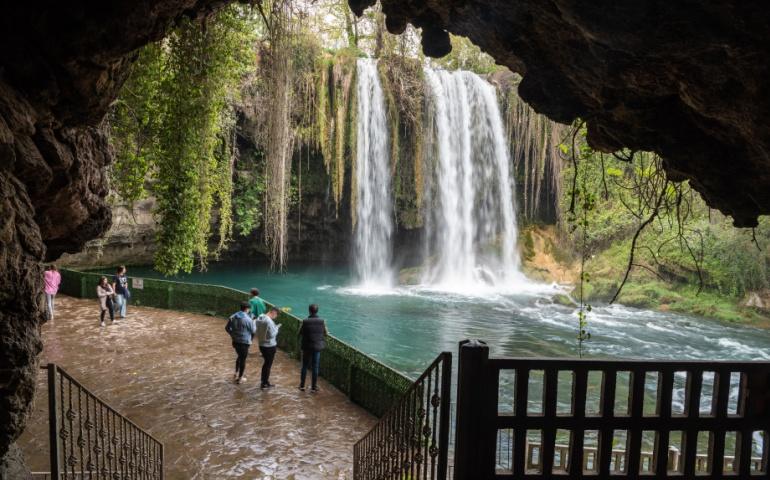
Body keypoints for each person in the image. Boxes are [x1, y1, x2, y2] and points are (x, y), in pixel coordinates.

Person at [298, 303, 328, 392]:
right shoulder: (322, 321)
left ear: (309, 311)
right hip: (317, 347)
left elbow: (300, 332)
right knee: (315, 367)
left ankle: (302, 385)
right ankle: (314, 387)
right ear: (317, 311)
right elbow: (326, 333)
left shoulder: (305, 321)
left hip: (307, 346)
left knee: (304, 366)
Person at [225, 301, 256, 384]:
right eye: (249, 309)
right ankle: (240, 378)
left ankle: (236, 372)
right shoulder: (248, 319)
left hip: (235, 341)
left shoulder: (233, 316)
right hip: (244, 343)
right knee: (243, 359)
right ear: (247, 309)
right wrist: (253, 322)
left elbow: (227, 328)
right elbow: (253, 331)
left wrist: (233, 335)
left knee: (239, 356)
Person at [255, 307, 281, 389]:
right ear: (274, 313)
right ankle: (265, 383)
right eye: (276, 315)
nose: (275, 317)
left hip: (261, 344)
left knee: (266, 364)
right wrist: (277, 328)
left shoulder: (260, 317)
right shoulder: (269, 321)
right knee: (268, 365)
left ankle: (264, 381)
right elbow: (271, 335)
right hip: (269, 346)